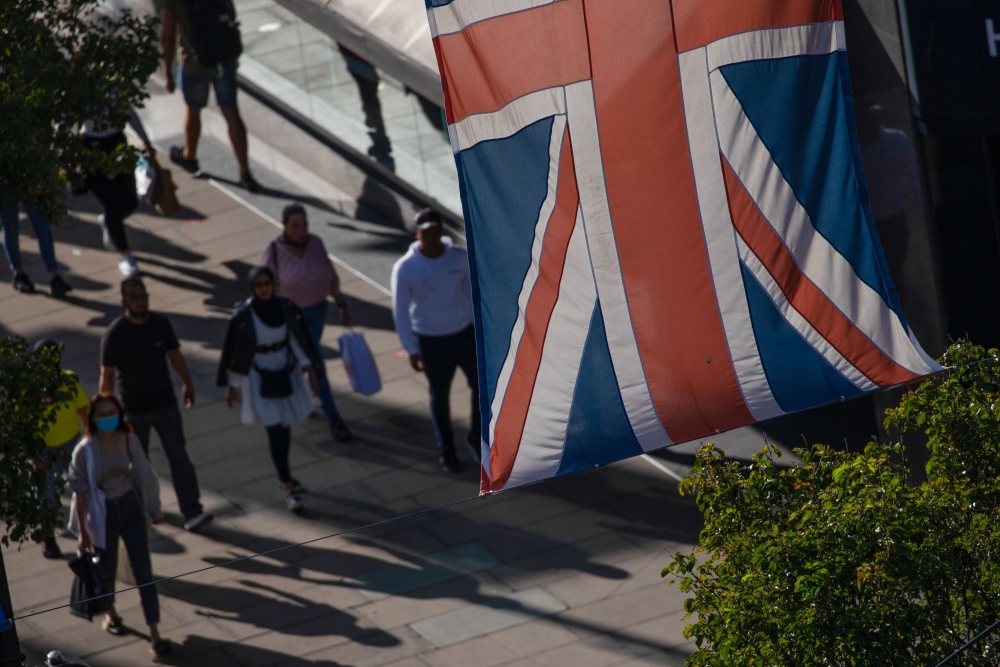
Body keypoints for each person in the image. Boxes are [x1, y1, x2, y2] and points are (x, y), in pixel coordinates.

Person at [99, 277, 213, 531]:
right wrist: (106, 412)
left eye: (143, 296)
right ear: (124, 301)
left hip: (164, 404)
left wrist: (188, 384)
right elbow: (106, 375)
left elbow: (174, 355)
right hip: (133, 410)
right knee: (140, 464)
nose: (141, 301)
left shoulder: (160, 324)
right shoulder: (116, 334)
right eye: (135, 297)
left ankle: (192, 511)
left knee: (179, 457)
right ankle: (150, 509)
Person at [67, 394, 171, 657]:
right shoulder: (85, 450)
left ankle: (155, 632)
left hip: (129, 508)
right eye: (102, 414)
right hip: (102, 516)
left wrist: (154, 507)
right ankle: (111, 614)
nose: (108, 419)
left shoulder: (128, 439)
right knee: (106, 568)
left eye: (112, 412)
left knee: (144, 573)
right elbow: (79, 495)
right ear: (91, 417)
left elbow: (143, 475)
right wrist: (83, 533)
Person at [217, 267, 323, 511]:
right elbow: (237, 353)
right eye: (259, 285)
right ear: (253, 288)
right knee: (275, 430)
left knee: (284, 428)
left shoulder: (285, 307)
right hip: (258, 378)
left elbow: (295, 341)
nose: (264, 288)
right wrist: (233, 386)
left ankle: (282, 473)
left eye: (268, 283)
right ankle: (288, 486)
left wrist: (311, 371)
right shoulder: (244, 315)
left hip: (285, 372)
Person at [391, 209, 480, 473]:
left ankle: (476, 438)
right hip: (431, 341)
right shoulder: (405, 268)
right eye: (426, 232)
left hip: (464, 335)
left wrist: (478, 329)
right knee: (439, 396)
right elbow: (400, 310)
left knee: (482, 388)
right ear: (416, 234)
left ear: (442, 232)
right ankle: (446, 449)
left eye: (436, 230)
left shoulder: (459, 258)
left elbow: (473, 292)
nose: (431, 236)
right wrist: (411, 348)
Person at [262, 203, 352, 442]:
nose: (301, 230)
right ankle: (335, 420)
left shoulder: (315, 243)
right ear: (284, 226)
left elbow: (330, 276)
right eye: (295, 226)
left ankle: (304, 391)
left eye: (304, 224)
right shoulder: (273, 251)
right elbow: (264, 287)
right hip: (293, 317)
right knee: (316, 364)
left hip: (318, 310)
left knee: (307, 360)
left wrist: (341, 303)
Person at [157, 0, 261, 192]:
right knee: (231, 112)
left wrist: (167, 73)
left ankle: (190, 156)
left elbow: (168, 36)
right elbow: (231, 13)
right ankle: (245, 172)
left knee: (193, 109)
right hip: (223, 60)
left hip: (193, 63)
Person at [81, 105, 155, 277]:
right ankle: (124, 253)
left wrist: (145, 140)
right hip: (92, 149)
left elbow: (128, 111)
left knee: (130, 201)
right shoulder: (79, 86)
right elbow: (63, 121)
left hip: (116, 144)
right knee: (112, 205)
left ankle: (109, 222)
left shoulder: (113, 83)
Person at [34, 339, 90, 559]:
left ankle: (88, 534)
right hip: (45, 451)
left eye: (52, 355)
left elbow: (83, 411)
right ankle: (48, 539)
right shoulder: (31, 387)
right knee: (48, 496)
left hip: (72, 443)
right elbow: (24, 425)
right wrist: (35, 456)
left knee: (84, 489)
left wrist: (89, 439)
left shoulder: (68, 380)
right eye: (43, 356)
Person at [1, 204, 73, 296]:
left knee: (43, 225)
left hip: (30, 191)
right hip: (7, 190)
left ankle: (54, 276)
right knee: (10, 226)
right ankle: (18, 273)